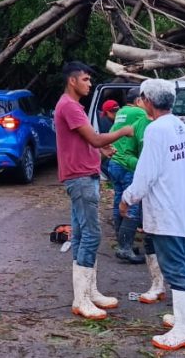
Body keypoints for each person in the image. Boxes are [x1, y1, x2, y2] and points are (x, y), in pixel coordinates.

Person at [120, 79, 185, 351]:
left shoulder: (156, 130)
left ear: (147, 101)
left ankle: (184, 331)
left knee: (177, 269)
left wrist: (127, 198)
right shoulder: (180, 126)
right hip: (181, 207)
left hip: (167, 211)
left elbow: (145, 175)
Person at [55, 61, 134, 321]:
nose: (89, 84)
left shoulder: (73, 106)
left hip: (82, 176)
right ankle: (81, 300)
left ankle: (89, 291)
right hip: (80, 178)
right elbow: (95, 137)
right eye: (86, 80)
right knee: (91, 234)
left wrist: (100, 150)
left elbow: (86, 140)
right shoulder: (70, 106)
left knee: (80, 234)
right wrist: (123, 131)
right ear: (72, 81)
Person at [108, 87, 152, 264]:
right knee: (131, 204)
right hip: (128, 164)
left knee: (120, 201)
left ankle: (122, 244)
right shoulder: (139, 114)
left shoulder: (121, 113)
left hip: (114, 162)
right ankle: (125, 248)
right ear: (138, 101)